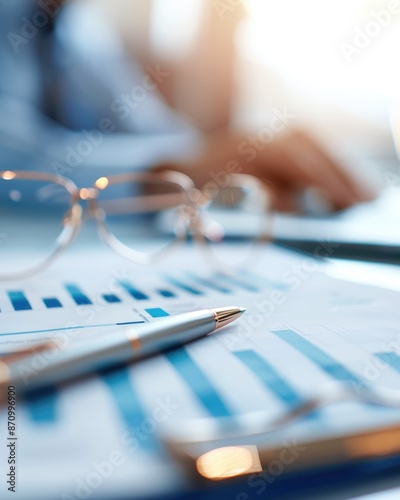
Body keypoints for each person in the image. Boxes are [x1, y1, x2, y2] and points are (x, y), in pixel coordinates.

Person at [1, 0, 372, 212]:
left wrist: (229, 152)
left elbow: (154, 128)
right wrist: (175, 168)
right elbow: (12, 157)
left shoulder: (80, 30)